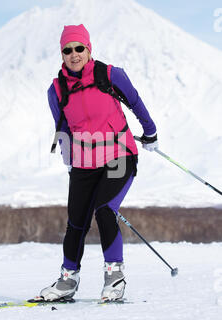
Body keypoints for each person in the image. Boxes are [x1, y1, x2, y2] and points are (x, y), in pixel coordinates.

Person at [39, 24, 158, 302]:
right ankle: (67, 281)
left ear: (88, 49)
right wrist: (70, 161)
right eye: (67, 50)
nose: (74, 54)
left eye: (79, 48)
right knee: (76, 221)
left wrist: (150, 132)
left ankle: (114, 278)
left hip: (119, 155)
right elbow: (63, 128)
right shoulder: (56, 89)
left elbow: (136, 102)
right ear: (62, 54)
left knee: (105, 210)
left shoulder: (110, 75)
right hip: (84, 161)